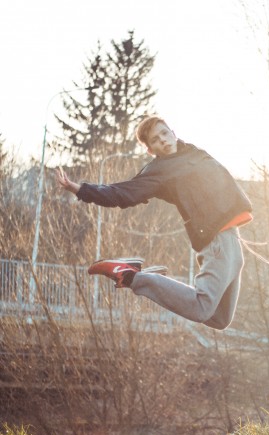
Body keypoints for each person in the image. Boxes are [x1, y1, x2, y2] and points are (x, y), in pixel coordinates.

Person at [56, 116, 253, 330]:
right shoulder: (160, 170)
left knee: (220, 318)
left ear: (173, 132)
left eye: (165, 133)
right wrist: (79, 189)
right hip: (217, 242)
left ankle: (155, 282)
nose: (164, 141)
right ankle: (131, 275)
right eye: (156, 140)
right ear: (151, 150)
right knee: (201, 307)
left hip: (233, 240)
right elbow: (122, 193)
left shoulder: (192, 152)